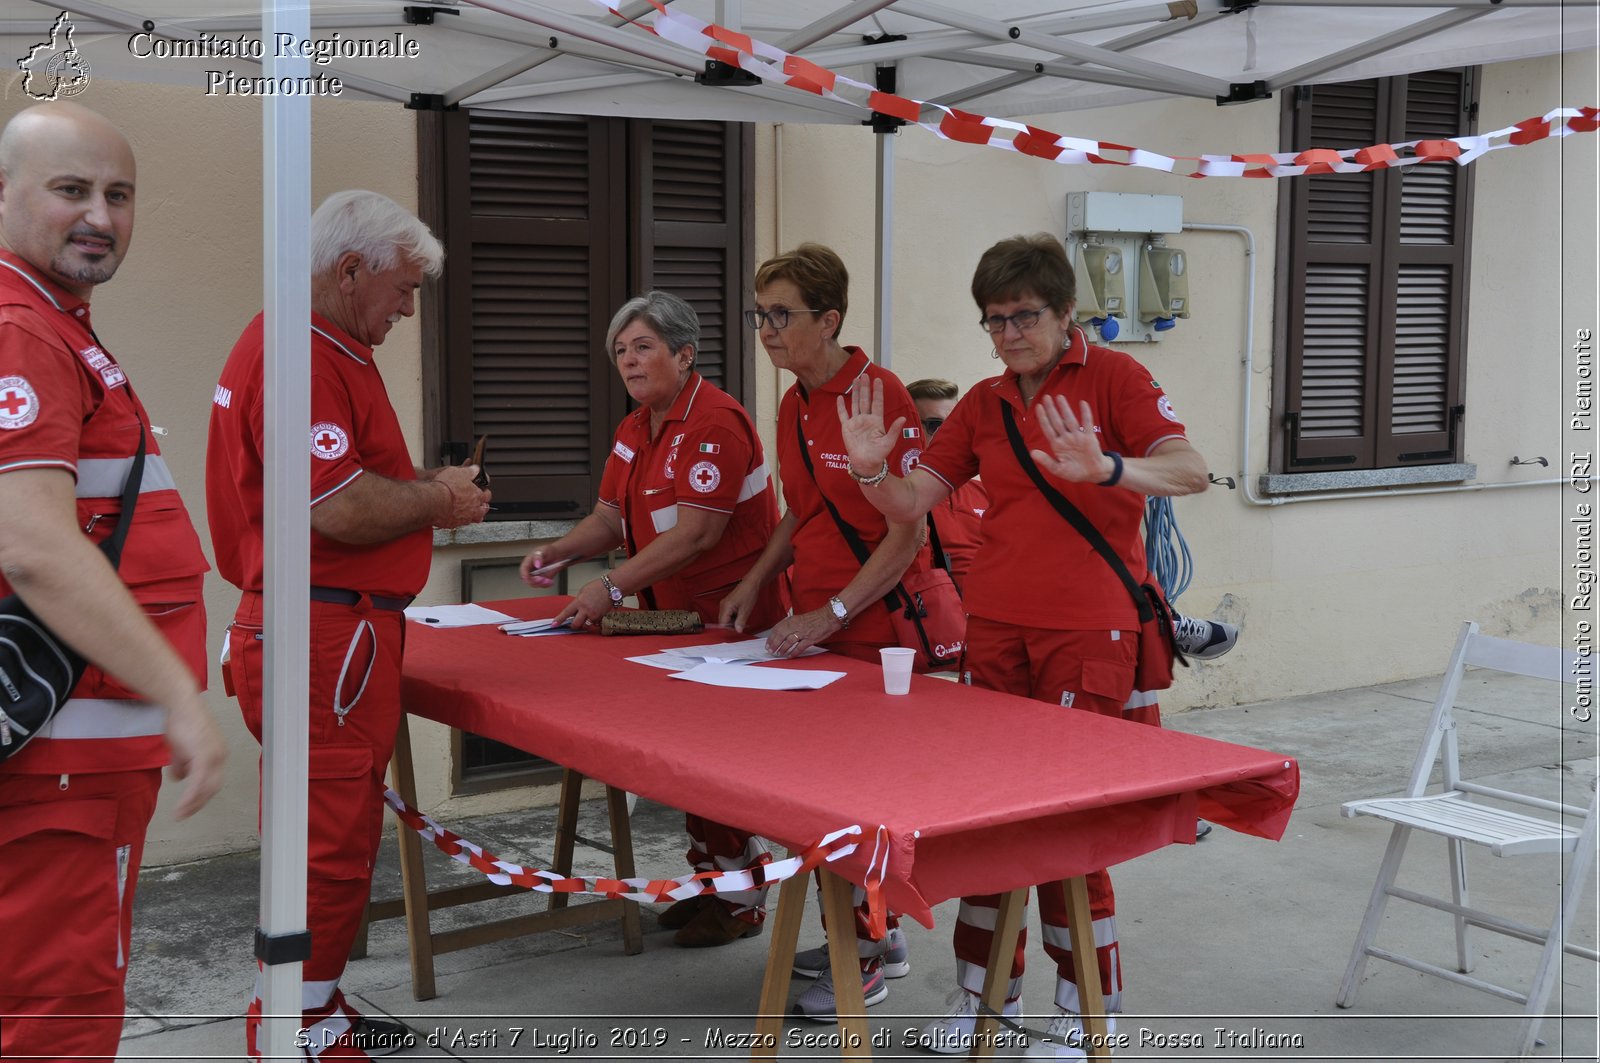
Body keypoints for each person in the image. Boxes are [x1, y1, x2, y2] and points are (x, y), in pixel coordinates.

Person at [838, 233, 1208, 1059]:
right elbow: (911, 500)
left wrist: (1109, 468)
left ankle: (1085, 1018)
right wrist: (869, 471)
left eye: (1023, 317)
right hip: (996, 633)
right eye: (994, 320)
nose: (1008, 334)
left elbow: (1191, 470)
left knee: (1068, 835)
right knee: (987, 826)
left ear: (1066, 311)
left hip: (1089, 633)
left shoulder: (1116, 377)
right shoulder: (982, 401)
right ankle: (980, 1003)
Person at [207, 190, 490, 1061]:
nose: (409, 310)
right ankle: (292, 1026)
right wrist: (441, 500)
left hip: (323, 629)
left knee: (328, 837)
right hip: (324, 635)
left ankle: (311, 1006)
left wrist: (423, 490)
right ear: (351, 269)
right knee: (326, 846)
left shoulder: (316, 345)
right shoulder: (304, 353)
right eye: (402, 290)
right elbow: (337, 504)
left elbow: (342, 487)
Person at [0, 102, 227, 1062]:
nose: (100, 214)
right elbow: (36, 545)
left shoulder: (54, 325)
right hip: (57, 772)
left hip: (69, 765)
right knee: (56, 1023)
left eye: (119, 194)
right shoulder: (24, 333)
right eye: (71, 190)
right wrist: (178, 694)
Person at [519, 290, 783, 949]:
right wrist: (557, 550)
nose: (629, 361)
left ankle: (743, 896)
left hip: (731, 628)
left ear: (683, 353)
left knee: (723, 764)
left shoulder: (717, 421)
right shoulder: (638, 425)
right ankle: (709, 884)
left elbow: (695, 534)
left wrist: (608, 584)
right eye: (620, 350)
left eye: (642, 347)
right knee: (689, 761)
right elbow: (611, 517)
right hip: (674, 625)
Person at [718, 242, 930, 1022]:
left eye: (782, 315)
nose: (767, 331)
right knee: (819, 792)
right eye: (760, 313)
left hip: (876, 630)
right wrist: (753, 580)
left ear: (829, 319)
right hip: (816, 628)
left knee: (863, 796)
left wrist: (832, 612)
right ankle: (876, 937)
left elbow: (904, 533)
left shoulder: (879, 395)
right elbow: (803, 510)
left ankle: (868, 956)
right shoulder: (791, 401)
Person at [905, 378, 988, 591]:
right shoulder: (899, 498)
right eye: (935, 425)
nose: (948, 435)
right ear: (910, 429)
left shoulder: (985, 491)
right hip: (935, 614)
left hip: (994, 612)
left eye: (954, 425)